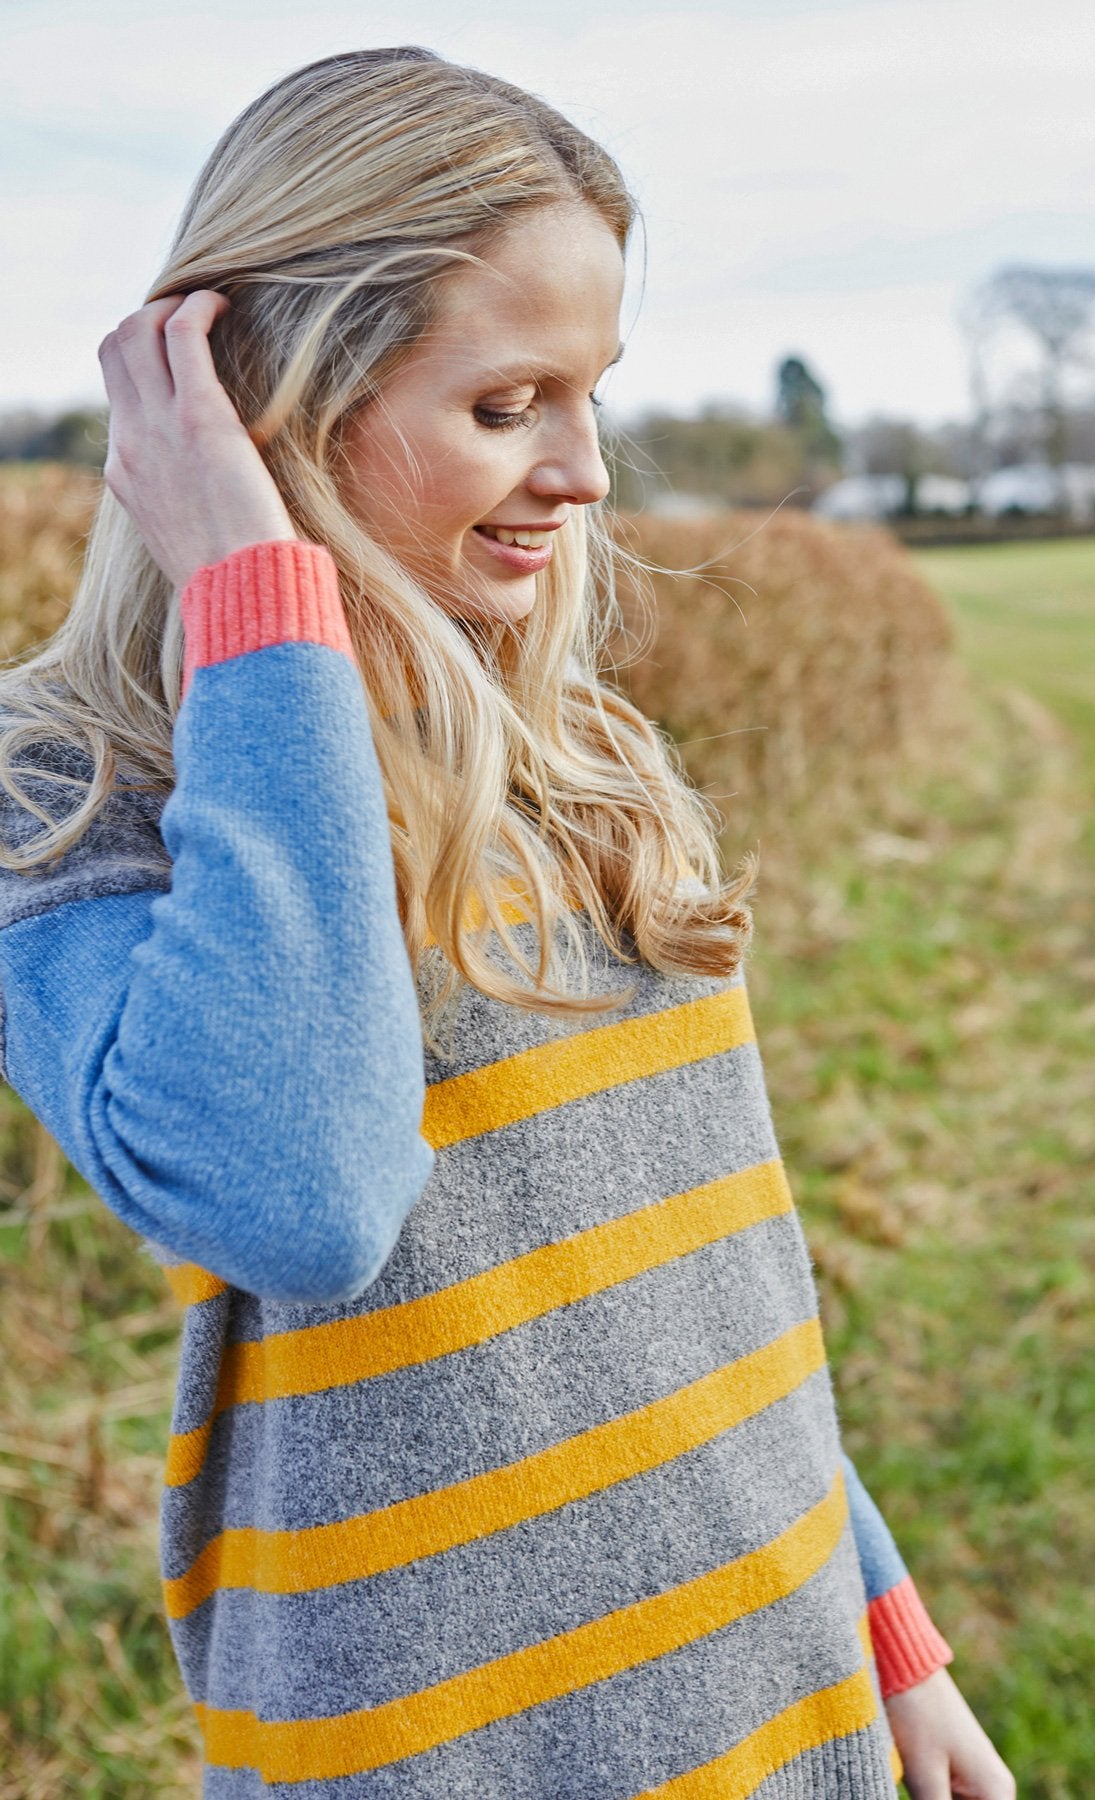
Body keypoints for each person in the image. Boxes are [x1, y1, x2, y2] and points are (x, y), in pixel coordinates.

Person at [0, 47, 1016, 1800]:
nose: (586, 472)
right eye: (505, 405)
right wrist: (261, 601)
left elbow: (706, 1269)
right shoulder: (77, 791)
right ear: (265, 411)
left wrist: (881, 1620)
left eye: (592, 393)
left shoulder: (585, 753)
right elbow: (299, 1198)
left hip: (777, 1693)